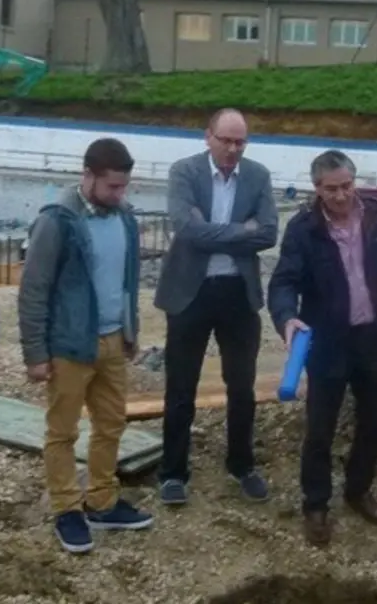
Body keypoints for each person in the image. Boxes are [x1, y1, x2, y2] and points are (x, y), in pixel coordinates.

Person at [18, 138, 152, 555]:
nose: (119, 194)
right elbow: (34, 289)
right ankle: (66, 509)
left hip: (114, 340)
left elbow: (127, 281)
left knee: (111, 423)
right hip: (69, 345)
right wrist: (36, 354)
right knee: (62, 430)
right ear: (88, 176)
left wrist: (130, 331)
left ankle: (102, 500)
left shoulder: (125, 218)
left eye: (124, 186)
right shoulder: (57, 222)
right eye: (112, 186)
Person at [267, 150, 377, 547]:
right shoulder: (303, 228)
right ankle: (316, 503)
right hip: (327, 341)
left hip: (373, 336)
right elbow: (283, 281)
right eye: (331, 189)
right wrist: (285, 317)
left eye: (346, 186)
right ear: (316, 189)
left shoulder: (376, 212)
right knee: (320, 429)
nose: (342, 196)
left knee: (374, 423)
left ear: (354, 181)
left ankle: (358, 490)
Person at [154, 109, 279, 506]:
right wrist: (242, 231)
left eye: (240, 141)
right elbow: (186, 230)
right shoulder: (184, 172)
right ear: (207, 137)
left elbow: (270, 233)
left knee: (241, 386)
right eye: (225, 140)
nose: (232, 148)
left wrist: (216, 234)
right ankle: (173, 472)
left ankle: (242, 465)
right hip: (190, 292)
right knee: (180, 387)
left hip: (237, 294)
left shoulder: (257, 176)